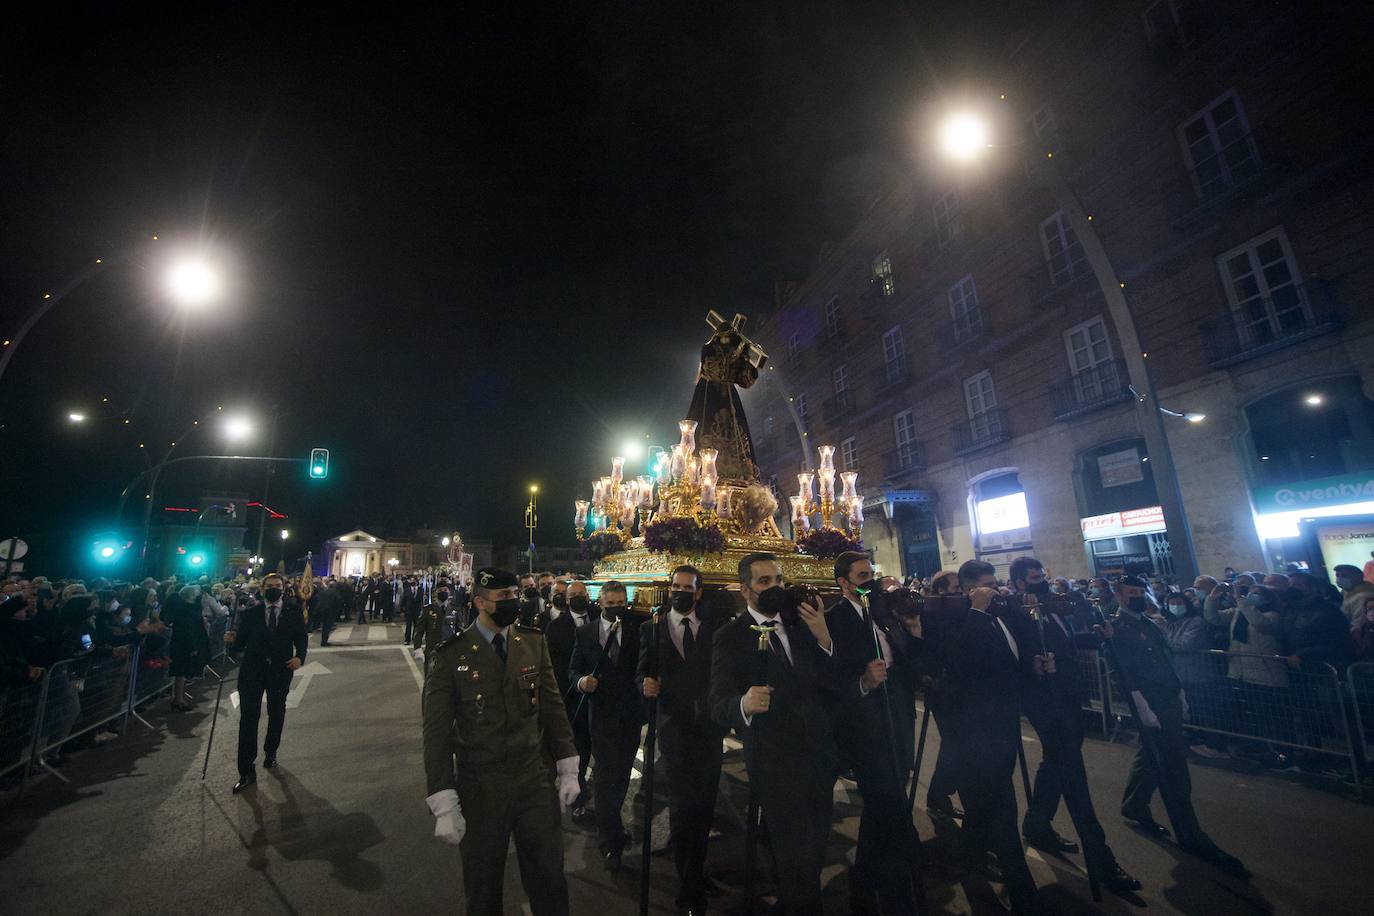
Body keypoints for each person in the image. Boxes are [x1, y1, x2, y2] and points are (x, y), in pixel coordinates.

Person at [423, 567, 580, 916]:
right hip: (481, 787)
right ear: (480, 602)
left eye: (515, 595)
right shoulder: (450, 655)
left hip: (533, 781)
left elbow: (552, 707)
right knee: (483, 886)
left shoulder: (532, 642)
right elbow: (436, 732)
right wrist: (443, 797)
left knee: (549, 879)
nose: (513, 602)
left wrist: (567, 764)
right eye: (503, 597)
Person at [708, 552, 836, 916]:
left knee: (815, 844)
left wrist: (824, 637)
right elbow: (719, 702)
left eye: (778, 580)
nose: (775, 588)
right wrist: (744, 703)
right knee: (795, 848)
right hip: (775, 759)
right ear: (745, 589)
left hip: (819, 755)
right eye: (765, 582)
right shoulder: (730, 637)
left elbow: (829, 682)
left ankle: (791, 896)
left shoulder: (802, 623)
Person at [1006, 557, 1140, 893]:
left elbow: (1067, 643)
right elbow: (1015, 654)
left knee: (1056, 764)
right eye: (1035, 578)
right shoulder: (1018, 615)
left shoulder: (1054, 609)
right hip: (1046, 703)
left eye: (1043, 575)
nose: (1042, 582)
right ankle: (1101, 859)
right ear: (1020, 583)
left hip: (1070, 696)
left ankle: (1037, 824)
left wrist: (1098, 636)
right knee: (1073, 774)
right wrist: (1033, 666)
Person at [1097, 576, 1246, 874]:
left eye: (1140, 592)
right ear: (1119, 595)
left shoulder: (1150, 624)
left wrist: (1179, 691)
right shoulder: (1115, 628)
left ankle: (1135, 804)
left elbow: (1165, 659)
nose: (1137, 597)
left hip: (1167, 696)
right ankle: (1190, 835)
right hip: (1149, 701)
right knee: (1174, 767)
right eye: (1131, 593)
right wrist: (1140, 704)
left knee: (1152, 756)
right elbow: (1122, 670)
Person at [825, 551, 926, 914]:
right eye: (862, 575)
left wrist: (914, 632)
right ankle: (896, 891)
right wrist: (863, 683)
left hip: (897, 717)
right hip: (865, 728)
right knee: (889, 804)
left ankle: (864, 880)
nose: (869, 580)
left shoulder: (883, 615)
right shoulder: (833, 620)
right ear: (844, 583)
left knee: (885, 806)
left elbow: (906, 662)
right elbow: (831, 677)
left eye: (871, 573)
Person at [946, 560, 1042, 914]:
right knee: (1004, 808)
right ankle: (1023, 891)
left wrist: (1035, 664)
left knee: (984, 807)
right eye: (987, 584)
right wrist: (975, 611)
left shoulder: (1002, 617)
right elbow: (960, 666)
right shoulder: (962, 620)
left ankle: (966, 858)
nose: (994, 589)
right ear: (970, 589)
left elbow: (1013, 661)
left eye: (996, 583)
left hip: (1004, 725)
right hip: (977, 732)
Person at [639, 565, 728, 916]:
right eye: (675, 586)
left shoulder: (714, 630)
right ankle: (689, 888)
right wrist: (644, 686)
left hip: (707, 728)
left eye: (687, 587)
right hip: (674, 728)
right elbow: (641, 672)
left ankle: (697, 869)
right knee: (682, 805)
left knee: (705, 805)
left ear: (698, 592)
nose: (680, 592)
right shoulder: (653, 628)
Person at [569, 581, 644, 869]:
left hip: (629, 715)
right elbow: (572, 670)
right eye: (609, 603)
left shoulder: (638, 630)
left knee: (622, 772)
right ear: (600, 602)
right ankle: (609, 836)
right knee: (603, 774)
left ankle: (612, 822)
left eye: (619, 603)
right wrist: (581, 682)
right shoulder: (585, 633)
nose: (614, 608)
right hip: (599, 714)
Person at [227, 572, 307, 794]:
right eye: (270, 585)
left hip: (280, 669)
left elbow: (301, 637)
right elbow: (239, 645)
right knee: (249, 718)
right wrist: (231, 642)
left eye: (277, 585)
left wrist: (300, 656)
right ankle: (245, 770)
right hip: (253, 670)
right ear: (262, 590)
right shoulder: (251, 613)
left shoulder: (293, 611)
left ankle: (271, 751)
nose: (274, 588)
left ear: (283, 588)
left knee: (276, 712)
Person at [546, 579, 594, 818]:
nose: (577, 598)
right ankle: (577, 797)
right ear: (566, 600)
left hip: (596, 697)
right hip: (571, 698)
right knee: (577, 750)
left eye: (581, 594)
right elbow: (553, 667)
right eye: (572, 595)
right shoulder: (556, 628)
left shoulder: (598, 618)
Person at [166, 585, 211, 712]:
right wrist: (193, 647)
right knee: (180, 672)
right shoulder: (185, 611)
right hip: (184, 646)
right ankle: (178, 700)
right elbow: (187, 630)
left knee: (182, 673)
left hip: (185, 645)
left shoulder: (188, 609)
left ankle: (178, 698)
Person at [413, 578, 458, 674]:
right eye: (440, 590)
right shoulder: (427, 610)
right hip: (432, 651)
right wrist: (418, 648)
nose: (443, 592)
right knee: (430, 681)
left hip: (449, 652)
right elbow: (419, 631)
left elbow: (460, 631)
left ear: (449, 592)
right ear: (436, 592)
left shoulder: (454, 610)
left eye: (445, 590)